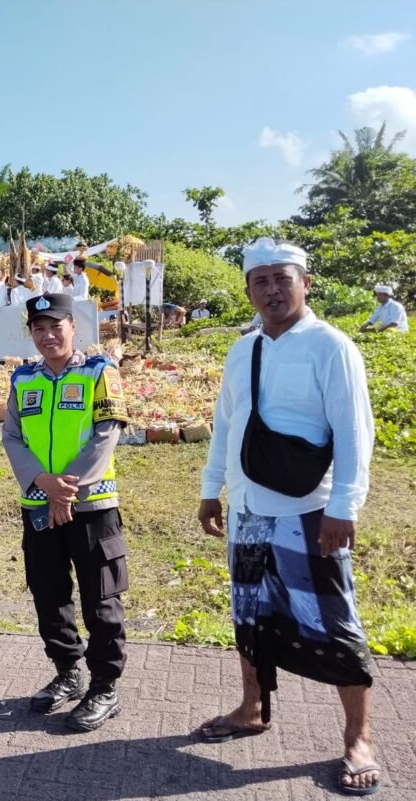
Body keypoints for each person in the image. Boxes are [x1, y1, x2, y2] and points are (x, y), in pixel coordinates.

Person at [197, 238, 380, 796]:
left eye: (283, 278)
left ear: (305, 282)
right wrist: (211, 491)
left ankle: (359, 739)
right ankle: (252, 708)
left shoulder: (332, 347)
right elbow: (225, 426)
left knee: (334, 621)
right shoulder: (242, 349)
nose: (272, 290)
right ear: (249, 289)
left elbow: (354, 433)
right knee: (250, 616)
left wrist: (344, 507)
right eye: (261, 281)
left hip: (309, 512)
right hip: (249, 512)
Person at [2, 293, 130, 731]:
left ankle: (105, 686)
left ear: (73, 326)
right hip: (39, 507)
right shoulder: (23, 379)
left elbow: (105, 434)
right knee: (49, 594)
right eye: (39, 328)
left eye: (56, 326)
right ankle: (68, 672)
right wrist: (43, 483)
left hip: (91, 506)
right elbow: (12, 438)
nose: (48, 335)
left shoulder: (100, 372)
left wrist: (66, 491)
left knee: (101, 597)